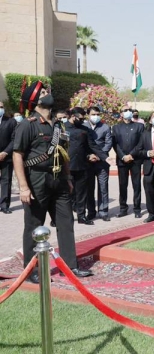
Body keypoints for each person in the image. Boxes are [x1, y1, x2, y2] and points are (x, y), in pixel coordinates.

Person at [12, 81, 92, 283]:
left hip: (59, 180)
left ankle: (70, 266)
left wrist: (67, 177)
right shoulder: (27, 125)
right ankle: (32, 271)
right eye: (44, 93)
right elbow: (18, 155)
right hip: (36, 179)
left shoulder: (58, 125)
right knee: (34, 225)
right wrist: (23, 186)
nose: (49, 95)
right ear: (35, 100)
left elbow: (62, 153)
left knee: (66, 223)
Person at [64, 107, 106, 225]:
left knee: (81, 193)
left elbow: (92, 146)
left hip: (82, 165)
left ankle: (81, 216)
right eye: (80, 118)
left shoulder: (84, 130)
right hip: (67, 166)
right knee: (67, 194)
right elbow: (59, 146)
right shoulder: (62, 128)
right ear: (73, 116)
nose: (82, 121)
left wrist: (104, 157)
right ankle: (65, 217)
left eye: (83, 119)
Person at [112, 104, 145, 218]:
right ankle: (123, 208)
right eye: (125, 110)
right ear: (121, 114)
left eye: (129, 110)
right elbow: (115, 144)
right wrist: (123, 156)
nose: (128, 112)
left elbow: (141, 142)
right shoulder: (116, 127)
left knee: (136, 185)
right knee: (122, 185)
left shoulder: (139, 126)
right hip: (122, 161)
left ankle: (137, 209)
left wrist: (131, 155)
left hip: (135, 160)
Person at [84, 106, 112, 221]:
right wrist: (89, 155)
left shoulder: (105, 127)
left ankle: (103, 211)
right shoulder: (83, 127)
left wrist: (100, 155)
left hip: (102, 162)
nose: (95, 116)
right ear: (88, 115)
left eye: (97, 114)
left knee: (103, 187)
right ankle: (91, 211)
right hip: (88, 161)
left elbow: (108, 143)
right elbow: (82, 144)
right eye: (93, 114)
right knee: (89, 188)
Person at [0, 101, 17, 214]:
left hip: (6, 156)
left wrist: (5, 152)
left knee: (6, 181)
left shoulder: (11, 122)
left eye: (1, 107)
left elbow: (14, 139)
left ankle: (5, 205)